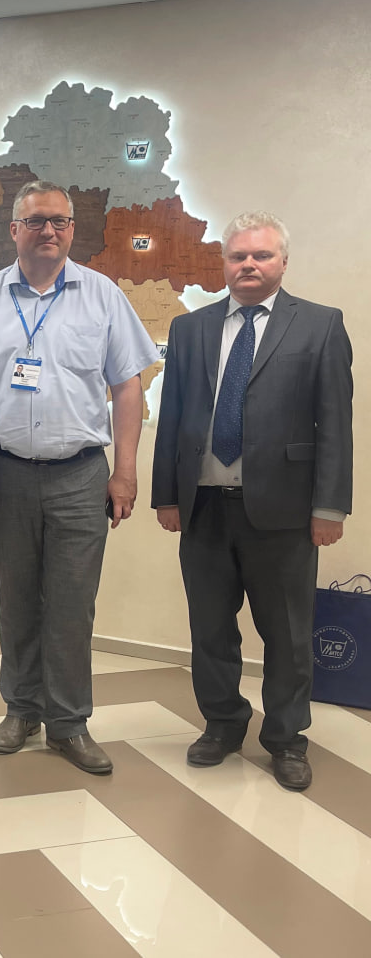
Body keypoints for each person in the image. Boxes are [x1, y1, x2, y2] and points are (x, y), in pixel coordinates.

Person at [0, 180, 158, 775]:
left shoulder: (102, 296)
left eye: (60, 221)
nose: (49, 231)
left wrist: (125, 472)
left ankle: (69, 722)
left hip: (80, 474)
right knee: (17, 598)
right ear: (13, 230)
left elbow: (128, 387)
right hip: (2, 471)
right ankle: (21, 709)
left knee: (72, 603)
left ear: (72, 229)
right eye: (37, 221)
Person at [152, 211, 353, 792]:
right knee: (210, 628)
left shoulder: (320, 325)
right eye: (238, 255)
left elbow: (334, 425)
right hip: (204, 506)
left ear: (283, 262)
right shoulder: (190, 329)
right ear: (224, 263)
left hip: (285, 512)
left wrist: (329, 507)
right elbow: (173, 418)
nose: (248, 265)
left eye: (261, 255)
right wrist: (166, 494)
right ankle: (222, 724)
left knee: (288, 635)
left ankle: (286, 738)